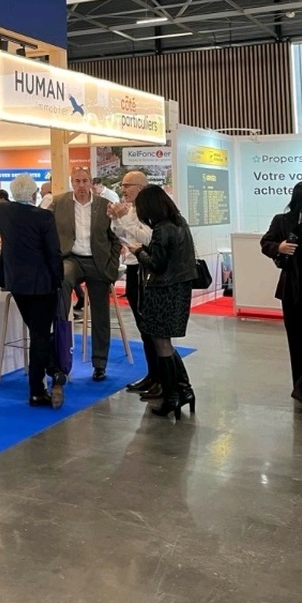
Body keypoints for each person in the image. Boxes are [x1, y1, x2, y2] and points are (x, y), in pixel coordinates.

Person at [0, 174, 63, 407]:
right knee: (40, 335)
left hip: (16, 283)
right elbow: (53, 252)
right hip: (43, 284)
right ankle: (38, 390)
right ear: (34, 194)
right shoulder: (44, 216)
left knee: (37, 331)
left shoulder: (3, 211)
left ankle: (54, 369)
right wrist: (59, 280)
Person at [128, 186, 196, 420]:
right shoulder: (180, 224)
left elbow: (155, 264)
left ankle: (172, 396)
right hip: (179, 289)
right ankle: (184, 390)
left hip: (163, 292)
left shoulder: (161, 229)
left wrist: (138, 252)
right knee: (166, 343)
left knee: (162, 344)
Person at [50, 166, 122, 381]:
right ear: (72, 182)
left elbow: (116, 237)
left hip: (97, 261)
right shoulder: (58, 203)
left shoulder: (104, 205)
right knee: (62, 280)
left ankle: (100, 364)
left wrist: (112, 262)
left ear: (91, 182)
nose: (81, 185)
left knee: (100, 313)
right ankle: (61, 352)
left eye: (84, 181)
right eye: (77, 181)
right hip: (71, 258)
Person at [107, 172, 159, 398]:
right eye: (123, 185)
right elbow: (123, 236)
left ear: (140, 187)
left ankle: (159, 377)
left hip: (145, 269)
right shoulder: (131, 211)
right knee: (143, 326)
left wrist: (123, 220)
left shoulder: (149, 212)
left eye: (128, 185)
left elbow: (146, 238)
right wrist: (117, 219)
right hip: (133, 267)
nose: (123, 189)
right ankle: (152, 374)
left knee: (151, 327)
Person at [261, 181, 302, 405]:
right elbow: (265, 242)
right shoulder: (282, 221)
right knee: (296, 340)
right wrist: (279, 247)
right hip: (292, 289)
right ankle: (300, 388)